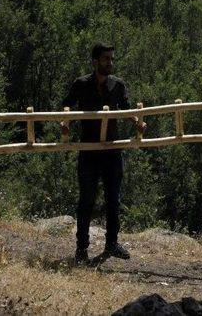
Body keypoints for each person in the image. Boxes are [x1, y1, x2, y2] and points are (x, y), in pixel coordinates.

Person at [61, 43, 146, 265]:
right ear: (95, 61)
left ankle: (112, 244)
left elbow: (127, 109)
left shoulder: (117, 85)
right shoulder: (81, 84)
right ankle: (81, 248)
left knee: (113, 200)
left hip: (111, 149)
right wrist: (66, 122)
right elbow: (66, 106)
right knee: (86, 200)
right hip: (89, 150)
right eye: (106, 59)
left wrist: (137, 122)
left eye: (111, 59)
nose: (110, 62)